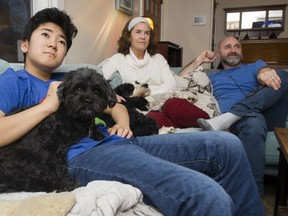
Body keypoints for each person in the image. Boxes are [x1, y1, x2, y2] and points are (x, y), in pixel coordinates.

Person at [0, 10, 265, 215]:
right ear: (24, 45)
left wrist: (123, 123)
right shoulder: (14, 81)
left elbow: (115, 105)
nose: (54, 44)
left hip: (115, 141)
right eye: (45, 35)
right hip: (81, 154)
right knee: (208, 194)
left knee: (227, 144)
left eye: (61, 41)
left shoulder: (74, 79)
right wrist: (47, 106)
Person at [179, 35, 288, 195]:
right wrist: (198, 60)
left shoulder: (254, 66)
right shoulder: (212, 76)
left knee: (284, 76)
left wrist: (264, 72)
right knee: (254, 121)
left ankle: (230, 116)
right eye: (228, 47)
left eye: (237, 46)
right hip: (248, 122)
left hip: (267, 112)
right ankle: (254, 195)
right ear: (218, 53)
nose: (233, 50)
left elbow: (265, 70)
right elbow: (179, 80)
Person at [99, 17, 211, 128]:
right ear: (128, 37)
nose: (143, 37)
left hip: (166, 101)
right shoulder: (118, 59)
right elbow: (98, 78)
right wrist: (111, 93)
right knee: (152, 119)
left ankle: (211, 123)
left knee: (173, 106)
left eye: (146, 33)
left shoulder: (158, 58)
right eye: (138, 32)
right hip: (143, 107)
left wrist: (146, 92)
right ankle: (188, 126)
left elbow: (171, 84)